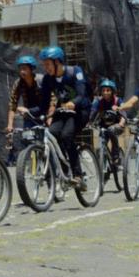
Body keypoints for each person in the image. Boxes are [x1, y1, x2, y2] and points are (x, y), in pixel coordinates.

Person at [36, 46, 89, 187]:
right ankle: (64, 170)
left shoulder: (75, 72)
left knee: (66, 135)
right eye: (44, 65)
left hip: (80, 111)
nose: (46, 68)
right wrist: (30, 111)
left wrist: (73, 103)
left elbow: (81, 94)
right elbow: (44, 104)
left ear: (57, 62)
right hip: (63, 111)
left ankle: (78, 176)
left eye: (48, 64)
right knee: (51, 134)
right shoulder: (48, 79)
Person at [4, 55, 44, 164]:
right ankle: (35, 168)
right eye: (20, 68)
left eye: (25, 68)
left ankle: (53, 168)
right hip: (29, 117)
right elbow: (13, 103)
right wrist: (10, 125)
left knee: (47, 143)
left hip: (44, 115)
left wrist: (50, 116)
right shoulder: (19, 83)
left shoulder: (41, 80)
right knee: (27, 140)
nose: (22, 71)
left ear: (31, 69)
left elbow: (51, 100)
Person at [90, 79, 126, 159]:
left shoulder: (117, 100)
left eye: (108, 90)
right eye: (103, 90)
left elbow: (123, 114)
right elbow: (92, 112)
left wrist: (121, 123)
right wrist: (88, 122)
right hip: (103, 126)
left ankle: (116, 155)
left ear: (112, 91)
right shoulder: (98, 101)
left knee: (111, 130)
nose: (105, 92)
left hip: (117, 125)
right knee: (102, 140)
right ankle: (103, 161)